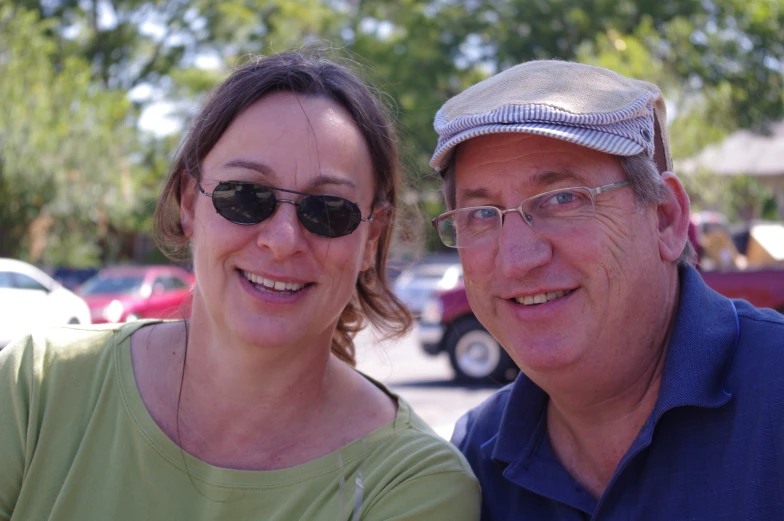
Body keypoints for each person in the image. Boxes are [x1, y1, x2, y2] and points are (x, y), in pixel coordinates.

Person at [0, 52, 480, 521]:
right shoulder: (35, 386)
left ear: (372, 236)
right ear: (189, 204)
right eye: (245, 196)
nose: (282, 241)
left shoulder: (413, 483)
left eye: (328, 210)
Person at [429, 59, 784, 519]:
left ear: (665, 218)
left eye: (563, 199)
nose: (517, 259)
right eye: (480, 214)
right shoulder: (473, 462)